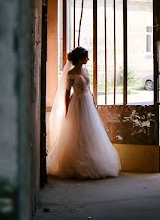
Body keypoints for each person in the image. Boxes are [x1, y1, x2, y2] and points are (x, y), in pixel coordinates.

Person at [47, 46, 121, 179]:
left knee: (90, 131)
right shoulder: (71, 74)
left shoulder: (86, 71)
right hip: (77, 102)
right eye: (86, 56)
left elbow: (88, 87)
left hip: (87, 102)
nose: (88, 58)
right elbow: (67, 92)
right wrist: (66, 108)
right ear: (81, 58)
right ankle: (76, 163)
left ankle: (92, 160)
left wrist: (92, 99)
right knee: (77, 132)